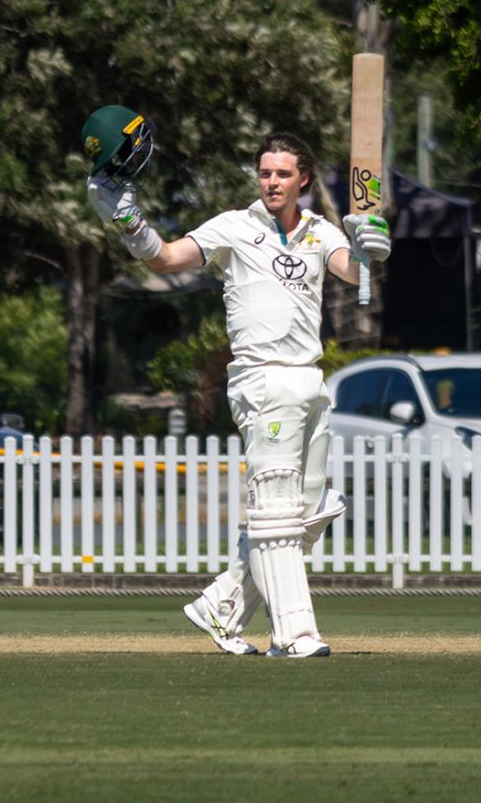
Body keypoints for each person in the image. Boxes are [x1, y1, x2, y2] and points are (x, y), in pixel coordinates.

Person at [81, 107, 390, 657]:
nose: (271, 182)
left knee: (311, 509)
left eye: (282, 174)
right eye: (265, 172)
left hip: (310, 380)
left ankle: (222, 604)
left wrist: (373, 247)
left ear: (304, 180)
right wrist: (130, 224)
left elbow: (352, 269)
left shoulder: (320, 232)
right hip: (260, 380)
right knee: (274, 509)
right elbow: (167, 260)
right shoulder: (234, 226)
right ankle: (294, 634)